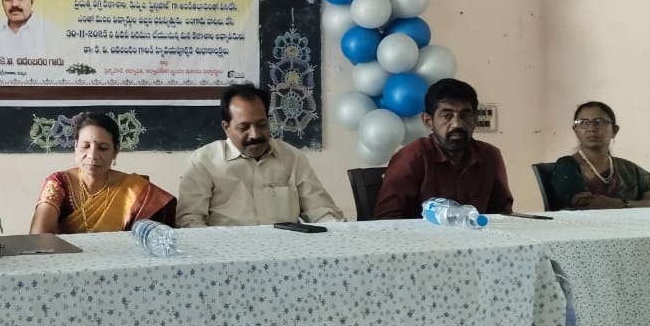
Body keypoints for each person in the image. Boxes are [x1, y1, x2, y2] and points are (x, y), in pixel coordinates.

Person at [177, 84, 344, 227]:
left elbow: (321, 211)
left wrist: (338, 232)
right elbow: (189, 222)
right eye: (244, 128)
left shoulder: (292, 158)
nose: (255, 135)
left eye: (262, 124)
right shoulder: (204, 162)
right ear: (226, 127)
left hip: (286, 250)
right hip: (227, 252)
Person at [374, 78, 513, 219]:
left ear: (475, 120)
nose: (457, 124)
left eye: (465, 115)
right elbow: (386, 220)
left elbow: (503, 214)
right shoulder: (413, 156)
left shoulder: (489, 155)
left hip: (476, 232)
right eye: (447, 116)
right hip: (419, 233)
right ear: (428, 121)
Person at [30, 112, 177, 233]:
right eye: (85, 146)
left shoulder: (134, 189)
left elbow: (157, 235)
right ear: (75, 146)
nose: (92, 155)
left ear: (116, 151)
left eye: (103, 148)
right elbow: (39, 236)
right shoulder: (59, 182)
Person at [549, 101, 650, 210]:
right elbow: (585, 206)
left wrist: (620, 204)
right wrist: (633, 205)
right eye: (583, 123)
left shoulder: (629, 169)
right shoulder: (567, 166)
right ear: (576, 130)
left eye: (599, 122)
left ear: (614, 130)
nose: (591, 129)